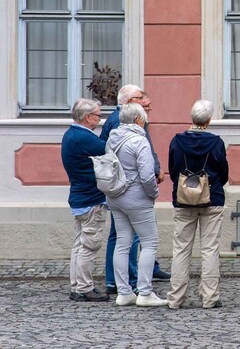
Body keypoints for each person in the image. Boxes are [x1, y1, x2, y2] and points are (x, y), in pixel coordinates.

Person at [103, 85, 169, 294]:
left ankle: (123, 292)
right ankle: (144, 291)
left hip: (116, 196)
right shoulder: (138, 140)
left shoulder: (113, 137)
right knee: (149, 243)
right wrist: (153, 194)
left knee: (123, 243)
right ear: (138, 120)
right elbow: (147, 175)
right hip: (136, 197)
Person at [166, 100, 229, 310]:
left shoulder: (176, 141)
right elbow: (224, 173)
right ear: (209, 120)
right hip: (212, 198)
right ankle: (210, 298)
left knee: (181, 249)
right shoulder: (216, 143)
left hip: (183, 200)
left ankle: (175, 298)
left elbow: (173, 170)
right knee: (210, 249)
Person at [61, 98, 110, 302]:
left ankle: (76, 286)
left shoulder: (70, 134)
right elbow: (108, 150)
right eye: (98, 115)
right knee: (89, 246)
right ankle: (85, 288)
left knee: (79, 245)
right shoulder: (84, 137)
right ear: (88, 117)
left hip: (80, 198)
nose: (100, 119)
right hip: (90, 199)